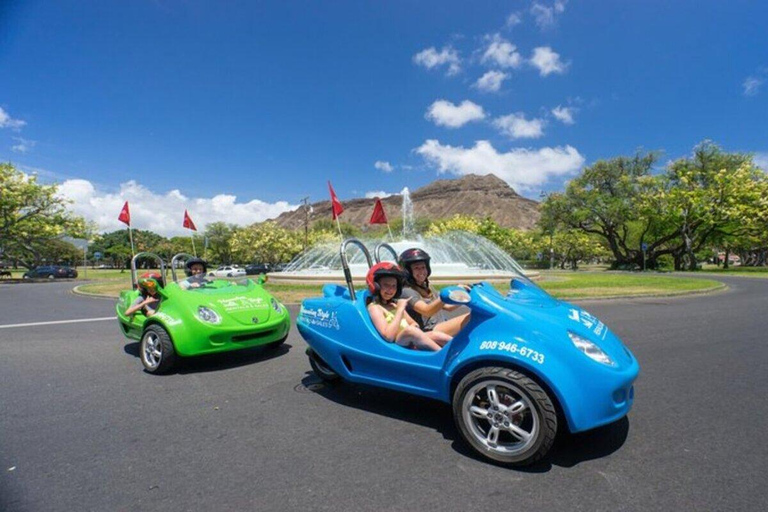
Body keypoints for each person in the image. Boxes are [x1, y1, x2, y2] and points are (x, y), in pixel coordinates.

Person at [366, 262, 451, 351]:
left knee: (436, 335)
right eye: (386, 285)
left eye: (394, 286)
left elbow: (414, 323)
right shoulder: (375, 308)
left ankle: (460, 353)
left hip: (409, 338)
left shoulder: (395, 304)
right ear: (376, 286)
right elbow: (388, 337)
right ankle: (442, 356)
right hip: (396, 343)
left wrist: (415, 330)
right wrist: (400, 310)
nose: (390, 290)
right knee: (410, 331)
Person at [399, 248, 470, 336]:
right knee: (473, 318)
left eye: (423, 267)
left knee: (477, 315)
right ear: (408, 271)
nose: (421, 271)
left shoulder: (427, 287)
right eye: (417, 268)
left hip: (440, 326)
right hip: (428, 332)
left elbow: (448, 307)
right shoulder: (407, 291)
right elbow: (427, 310)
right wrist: (450, 293)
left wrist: (464, 295)